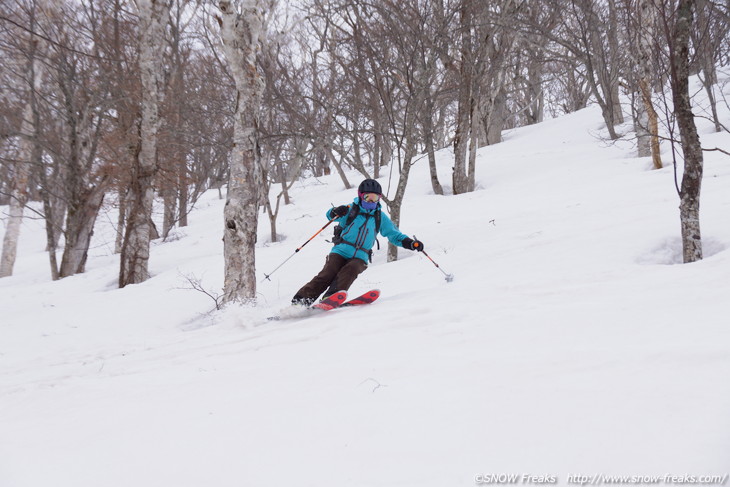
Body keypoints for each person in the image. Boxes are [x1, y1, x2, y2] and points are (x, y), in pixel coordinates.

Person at [291, 179, 424, 306]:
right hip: (340, 250)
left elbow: (394, 235)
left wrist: (411, 243)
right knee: (328, 273)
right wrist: (335, 211)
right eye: (367, 197)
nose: (371, 201)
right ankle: (300, 301)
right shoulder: (350, 209)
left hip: (361, 256)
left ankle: (331, 298)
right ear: (360, 196)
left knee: (351, 269)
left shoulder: (380, 217)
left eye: (375, 198)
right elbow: (329, 216)